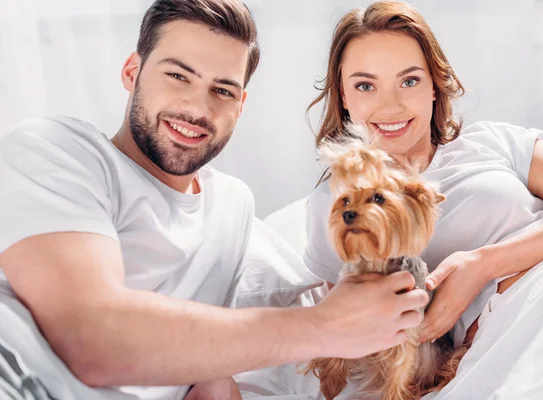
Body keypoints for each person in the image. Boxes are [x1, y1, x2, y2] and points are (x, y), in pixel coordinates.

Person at [0, 1, 431, 399]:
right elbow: (90, 340)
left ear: (241, 104)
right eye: (177, 75)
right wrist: (325, 326)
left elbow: (207, 369)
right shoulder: (58, 151)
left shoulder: (231, 205)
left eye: (222, 90)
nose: (197, 107)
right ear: (132, 71)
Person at [303, 0, 543, 350]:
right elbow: (350, 331)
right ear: (344, 96)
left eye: (409, 80)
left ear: (433, 84)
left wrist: (483, 264)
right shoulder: (336, 203)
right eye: (366, 86)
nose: (391, 105)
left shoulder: (493, 141)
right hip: (509, 332)